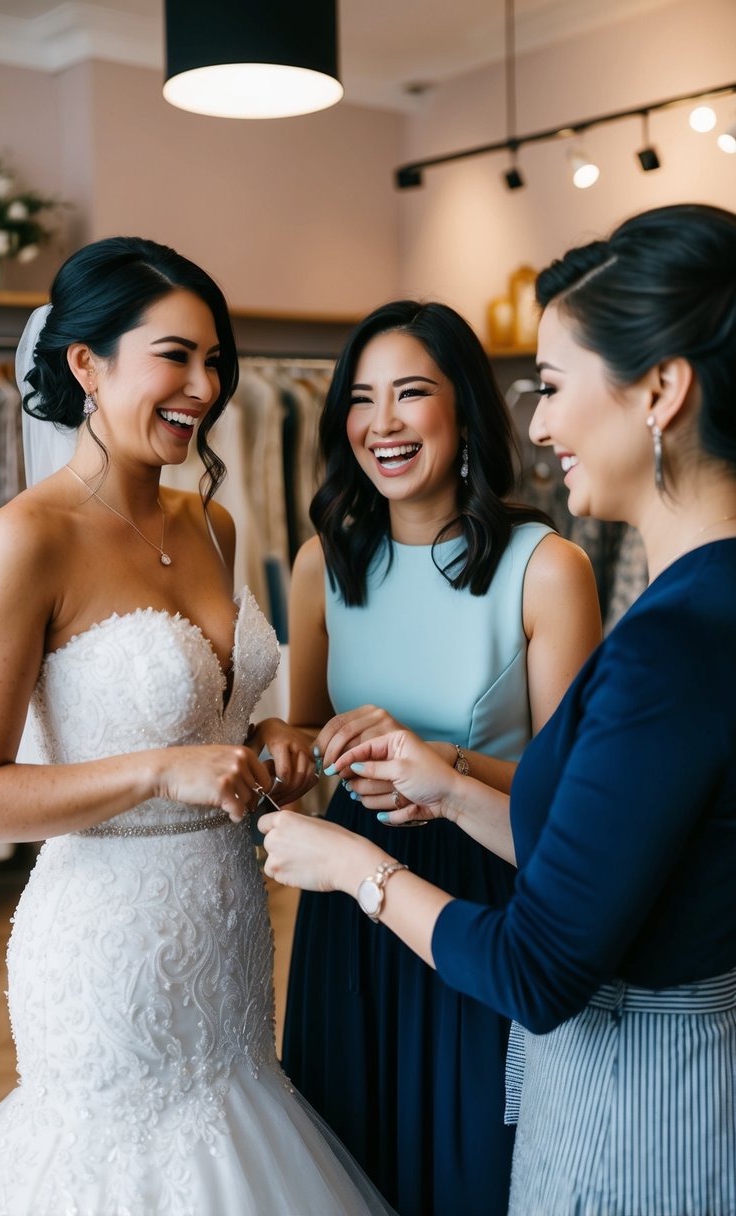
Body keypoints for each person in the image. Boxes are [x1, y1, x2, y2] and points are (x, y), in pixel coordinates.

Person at [261, 203, 736, 1216]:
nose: (541, 424)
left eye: (555, 387)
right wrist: (439, 776)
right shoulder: (692, 608)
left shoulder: (667, 637)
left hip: (640, 1110)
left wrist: (356, 866)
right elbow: (602, 839)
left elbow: (539, 964)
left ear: (659, 389)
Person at [0, 236, 396, 1216]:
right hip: (103, 950)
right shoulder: (24, 541)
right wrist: (159, 771)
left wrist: (269, 745)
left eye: (216, 361)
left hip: (227, 932)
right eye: (176, 355)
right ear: (85, 362)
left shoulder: (209, 522)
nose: (206, 387)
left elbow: (222, 717)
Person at [280, 300, 602, 1215]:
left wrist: (444, 765)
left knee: (470, 1164)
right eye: (361, 398)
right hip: (349, 893)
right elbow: (305, 734)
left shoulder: (546, 567)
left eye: (410, 394)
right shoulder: (322, 564)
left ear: (460, 409)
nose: (381, 423)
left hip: (476, 899)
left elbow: (569, 797)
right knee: (344, 1149)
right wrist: (288, 749)